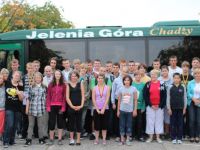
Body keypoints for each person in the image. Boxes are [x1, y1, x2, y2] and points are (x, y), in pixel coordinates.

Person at [143, 69, 166, 143]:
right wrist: (150, 105)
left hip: (159, 107)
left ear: (158, 75)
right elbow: (145, 95)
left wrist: (159, 105)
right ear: (150, 75)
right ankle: (150, 137)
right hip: (150, 107)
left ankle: (158, 137)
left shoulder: (162, 84)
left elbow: (164, 96)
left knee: (158, 121)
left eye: (155, 74)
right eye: (152, 74)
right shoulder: (147, 84)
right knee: (150, 121)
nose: (153, 76)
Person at [24, 72, 46, 146]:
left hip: (41, 109)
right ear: (34, 79)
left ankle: (41, 139)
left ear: (41, 78)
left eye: (39, 77)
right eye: (36, 77)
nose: (37, 79)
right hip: (31, 109)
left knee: (40, 125)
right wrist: (27, 108)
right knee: (31, 125)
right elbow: (28, 99)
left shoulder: (44, 87)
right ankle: (29, 139)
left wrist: (45, 108)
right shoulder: (31, 87)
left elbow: (45, 99)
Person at [3, 71, 24, 148]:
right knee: (10, 124)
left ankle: (12, 141)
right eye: (16, 75)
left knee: (15, 125)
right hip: (9, 108)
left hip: (18, 108)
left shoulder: (21, 86)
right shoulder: (7, 83)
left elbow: (21, 99)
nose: (17, 77)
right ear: (12, 76)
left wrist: (19, 94)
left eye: (18, 76)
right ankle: (5, 141)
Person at [46, 70, 66, 145]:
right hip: (52, 106)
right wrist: (48, 106)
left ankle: (60, 139)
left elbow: (64, 97)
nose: (57, 75)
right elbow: (48, 96)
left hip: (60, 106)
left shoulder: (63, 85)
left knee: (60, 123)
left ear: (61, 75)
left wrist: (63, 107)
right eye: (56, 74)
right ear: (54, 75)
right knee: (52, 123)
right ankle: (51, 139)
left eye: (59, 74)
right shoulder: (51, 84)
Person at [167, 73, 187, 144]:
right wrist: (169, 108)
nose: (177, 79)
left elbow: (185, 98)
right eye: (175, 78)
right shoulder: (170, 87)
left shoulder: (183, 87)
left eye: (178, 78)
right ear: (173, 78)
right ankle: (173, 137)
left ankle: (179, 138)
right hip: (172, 109)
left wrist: (185, 108)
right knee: (173, 123)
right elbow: (168, 98)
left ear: (180, 79)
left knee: (180, 123)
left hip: (181, 108)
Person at [117, 75, 137, 146]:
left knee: (129, 125)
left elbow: (135, 100)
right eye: (125, 80)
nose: (126, 81)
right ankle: (122, 139)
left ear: (130, 81)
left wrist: (135, 110)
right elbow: (119, 100)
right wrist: (118, 110)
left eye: (128, 80)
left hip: (130, 111)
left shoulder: (133, 89)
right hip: (122, 110)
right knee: (122, 125)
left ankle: (128, 139)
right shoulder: (120, 89)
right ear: (123, 81)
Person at [67, 71, 84, 145]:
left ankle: (78, 139)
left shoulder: (81, 84)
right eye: (72, 76)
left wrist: (81, 105)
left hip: (79, 107)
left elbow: (83, 96)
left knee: (78, 123)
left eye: (75, 76)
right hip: (71, 107)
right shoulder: (68, 85)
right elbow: (67, 97)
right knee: (71, 123)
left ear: (77, 77)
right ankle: (71, 139)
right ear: (70, 77)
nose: (73, 77)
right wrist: (72, 106)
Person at [111, 66, 129, 142]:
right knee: (117, 119)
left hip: (126, 101)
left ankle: (125, 135)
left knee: (125, 119)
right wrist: (113, 103)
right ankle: (118, 135)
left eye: (126, 72)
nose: (124, 73)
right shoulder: (116, 80)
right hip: (117, 100)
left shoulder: (129, 80)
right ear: (120, 71)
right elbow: (113, 92)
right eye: (123, 71)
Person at [92, 74, 110, 145]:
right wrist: (96, 108)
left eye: (102, 78)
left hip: (105, 108)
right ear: (97, 79)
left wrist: (103, 109)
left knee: (104, 125)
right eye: (99, 78)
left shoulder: (107, 88)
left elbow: (107, 98)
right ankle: (96, 139)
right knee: (97, 125)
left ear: (104, 79)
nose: (100, 79)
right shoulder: (94, 88)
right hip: (96, 108)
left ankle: (104, 139)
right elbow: (93, 99)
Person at [158, 65, 173, 139]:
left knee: (167, 117)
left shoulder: (172, 80)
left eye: (165, 71)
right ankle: (161, 132)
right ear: (161, 72)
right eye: (163, 71)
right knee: (161, 117)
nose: (164, 72)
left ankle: (167, 133)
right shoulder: (158, 79)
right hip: (160, 101)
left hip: (169, 102)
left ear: (168, 71)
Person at [187, 68, 200, 143]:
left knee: (198, 121)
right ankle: (191, 136)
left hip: (199, 102)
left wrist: (198, 100)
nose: (197, 75)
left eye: (198, 73)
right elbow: (188, 93)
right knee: (192, 120)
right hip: (191, 102)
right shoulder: (190, 82)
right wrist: (194, 99)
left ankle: (197, 136)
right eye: (196, 73)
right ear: (194, 74)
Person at [132, 71, 146, 142]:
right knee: (132, 122)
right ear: (134, 76)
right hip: (133, 106)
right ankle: (132, 135)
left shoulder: (143, 85)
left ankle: (139, 136)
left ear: (141, 76)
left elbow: (144, 97)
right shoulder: (132, 84)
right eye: (136, 75)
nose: (138, 76)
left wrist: (143, 106)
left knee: (139, 122)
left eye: (139, 75)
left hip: (140, 106)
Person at [0, 74, 5, 142]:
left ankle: (0, 135)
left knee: (1, 124)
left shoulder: (5, 87)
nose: (0, 79)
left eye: (1, 78)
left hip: (3, 108)